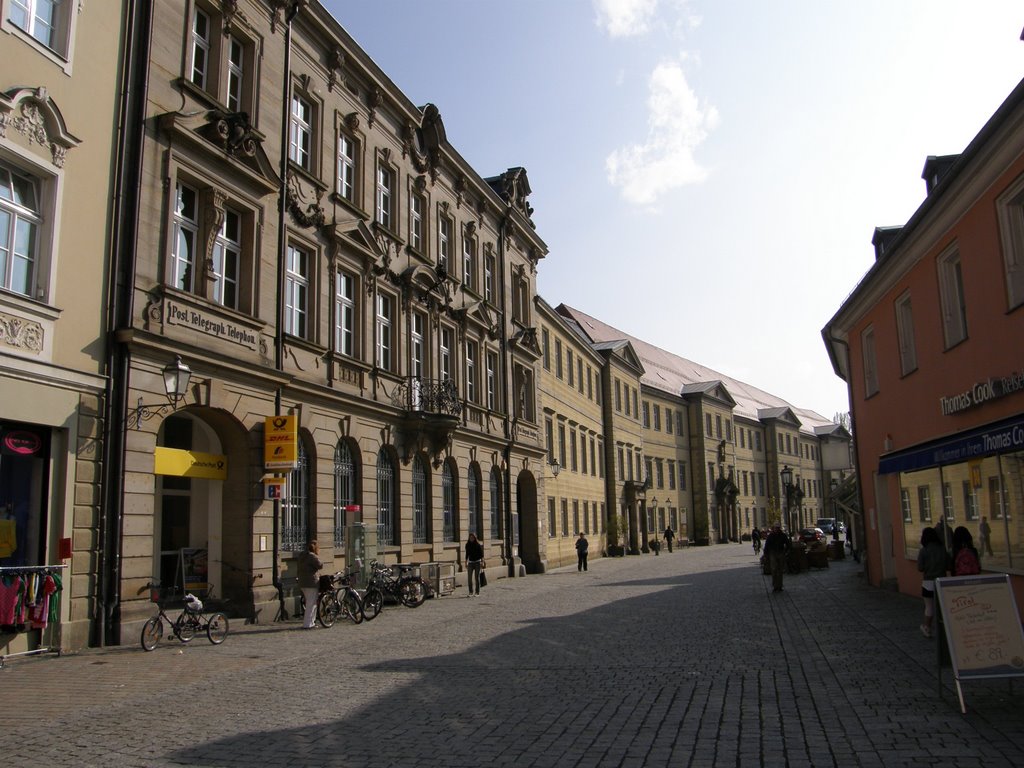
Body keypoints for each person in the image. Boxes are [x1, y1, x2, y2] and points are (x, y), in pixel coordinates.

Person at [917, 527, 947, 638]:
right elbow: (948, 564)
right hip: (942, 581)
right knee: (942, 607)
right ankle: (945, 628)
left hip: (928, 582)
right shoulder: (942, 549)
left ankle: (927, 627)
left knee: (929, 607)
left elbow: (920, 568)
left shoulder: (924, 551)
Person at [297, 540, 323, 629]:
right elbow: (320, 565)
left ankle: (311, 622)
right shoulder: (312, 556)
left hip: (302, 582)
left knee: (311, 602)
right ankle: (307, 624)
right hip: (311, 583)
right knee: (311, 604)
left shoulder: (301, 555)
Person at [763, 521, 790, 593]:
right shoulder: (770, 536)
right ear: (773, 528)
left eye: (778, 528)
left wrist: (786, 552)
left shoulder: (782, 535)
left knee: (780, 570)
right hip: (773, 553)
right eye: (776, 528)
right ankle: (775, 586)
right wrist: (766, 555)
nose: (777, 529)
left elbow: (788, 544)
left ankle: (780, 586)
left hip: (780, 553)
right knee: (774, 570)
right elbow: (766, 546)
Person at [465, 532, 484, 597]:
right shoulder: (467, 545)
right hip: (470, 562)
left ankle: (477, 592)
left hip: (477, 562)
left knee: (476, 578)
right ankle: (470, 592)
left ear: (475, 538)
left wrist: (482, 562)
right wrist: (466, 562)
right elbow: (467, 554)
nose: (471, 538)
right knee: (469, 578)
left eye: (472, 537)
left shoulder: (478, 545)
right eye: (470, 537)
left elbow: (481, 555)